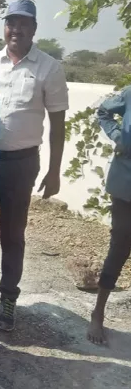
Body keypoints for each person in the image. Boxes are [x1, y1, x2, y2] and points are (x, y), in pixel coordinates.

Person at [0, 0, 70, 332]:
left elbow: (58, 124)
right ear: (4, 26)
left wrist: (54, 171)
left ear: (34, 29)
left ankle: (8, 298)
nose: (16, 29)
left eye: (23, 23)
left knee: (13, 235)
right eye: (11, 22)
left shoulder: (49, 68)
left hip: (22, 164)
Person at [86, 86, 131, 345]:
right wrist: (118, 136)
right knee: (120, 245)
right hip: (126, 183)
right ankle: (98, 313)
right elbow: (103, 111)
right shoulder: (128, 94)